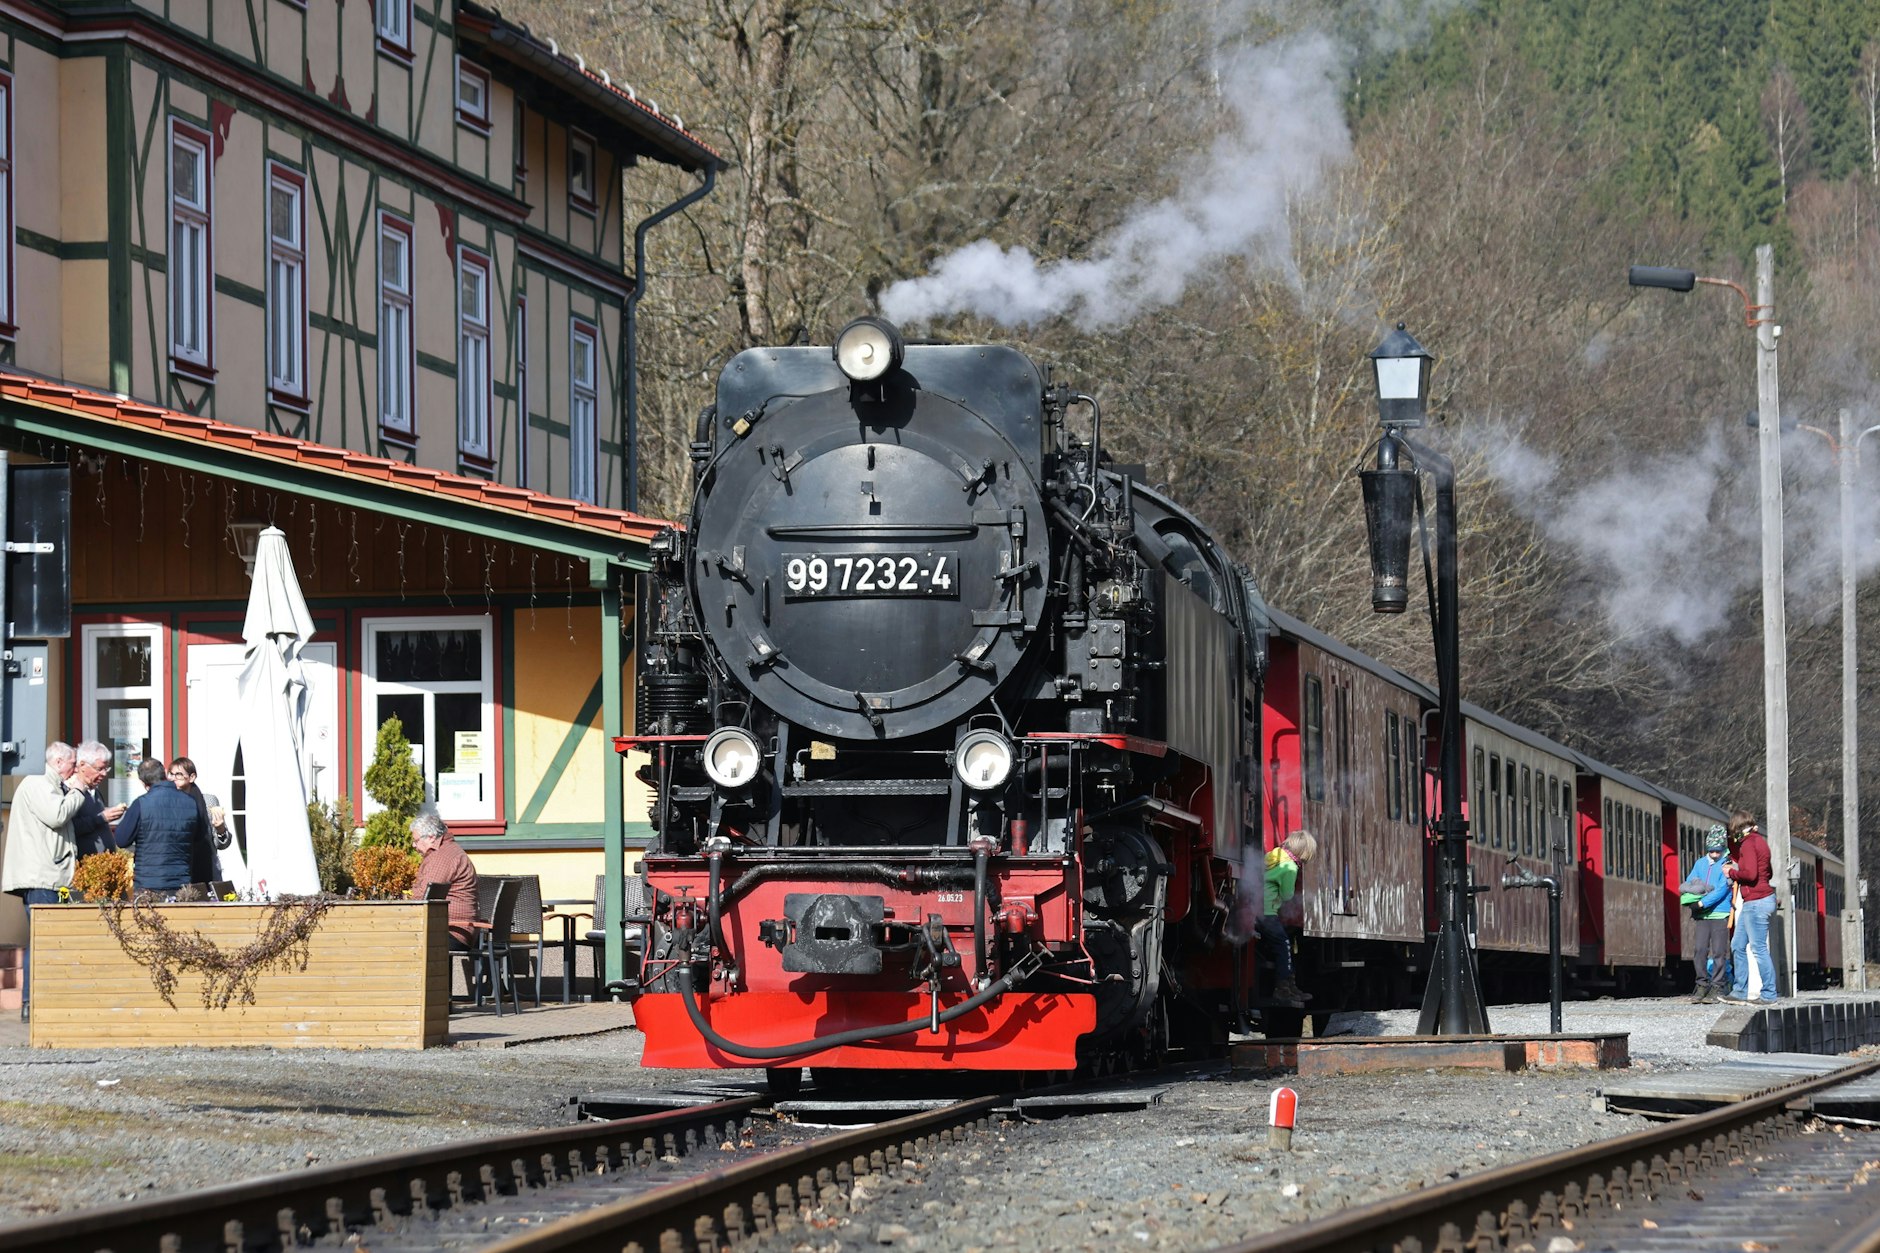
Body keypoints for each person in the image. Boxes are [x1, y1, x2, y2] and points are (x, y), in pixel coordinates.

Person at [112, 758, 214, 894]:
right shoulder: (190, 802)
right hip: (181, 880)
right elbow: (200, 836)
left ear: (143, 782)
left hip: (148, 882)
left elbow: (122, 839)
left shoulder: (141, 804)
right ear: (165, 774)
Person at [1723, 809, 1778, 1004]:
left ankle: (1769, 993)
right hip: (1757, 900)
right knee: (1737, 945)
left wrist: (1732, 873)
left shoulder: (1747, 844)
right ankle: (1739, 991)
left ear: (1737, 827)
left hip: (1756, 901)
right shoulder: (1760, 842)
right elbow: (1768, 872)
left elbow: (1751, 874)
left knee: (1758, 949)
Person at [1258, 829, 1317, 1005]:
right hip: (1267, 911)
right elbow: (1286, 895)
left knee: (1280, 943)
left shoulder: (1274, 855)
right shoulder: (1290, 867)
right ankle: (1283, 988)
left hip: (1254, 908)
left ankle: (1289, 986)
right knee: (1284, 944)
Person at [409, 812, 478, 945]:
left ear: (431, 837)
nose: (414, 845)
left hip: (453, 932)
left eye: (416, 840)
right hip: (455, 928)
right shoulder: (450, 851)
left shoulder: (442, 857)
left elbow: (423, 897)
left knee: (393, 939)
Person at [1683, 825, 1734, 1004]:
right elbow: (1690, 881)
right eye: (1711, 851)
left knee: (1719, 952)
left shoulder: (1727, 864)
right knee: (1699, 950)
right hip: (1702, 916)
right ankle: (1702, 984)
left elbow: (1722, 889)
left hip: (1719, 913)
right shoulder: (1700, 863)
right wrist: (1694, 892)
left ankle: (1718, 985)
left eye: (1717, 851)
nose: (1714, 854)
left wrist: (1702, 902)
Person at [167, 757, 233, 871]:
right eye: (171, 774)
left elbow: (222, 844)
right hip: (175, 868)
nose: (173, 778)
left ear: (192, 777)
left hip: (205, 867)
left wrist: (220, 829)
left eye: (178, 774)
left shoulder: (208, 802)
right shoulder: (166, 803)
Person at [71, 740, 127, 860]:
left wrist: (109, 814)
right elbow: (71, 827)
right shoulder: (72, 792)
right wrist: (101, 818)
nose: (104, 773)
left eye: (106, 768)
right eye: (99, 768)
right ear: (82, 765)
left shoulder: (94, 790)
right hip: (86, 868)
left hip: (103, 865)